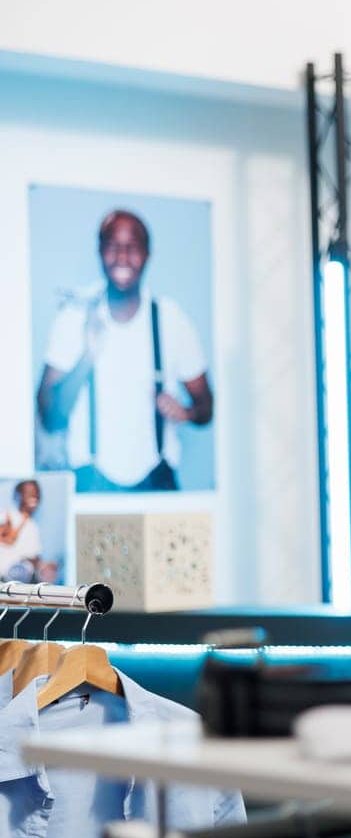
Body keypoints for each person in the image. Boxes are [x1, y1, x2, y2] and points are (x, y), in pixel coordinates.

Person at [36, 209, 214, 492]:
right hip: (90, 481)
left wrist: (186, 412)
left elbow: (207, 407)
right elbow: (49, 415)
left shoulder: (170, 318)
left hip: (157, 481)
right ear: (100, 251)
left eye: (132, 247)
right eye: (112, 246)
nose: (122, 256)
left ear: (147, 254)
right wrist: (88, 355)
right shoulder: (74, 316)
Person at [0, 480, 59, 584]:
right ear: (17, 495)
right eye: (29, 492)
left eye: (36, 493)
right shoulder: (5, 516)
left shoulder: (32, 526)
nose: (34, 496)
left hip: (21, 584)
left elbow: (33, 558)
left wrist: (44, 566)